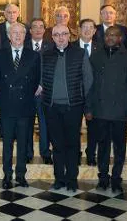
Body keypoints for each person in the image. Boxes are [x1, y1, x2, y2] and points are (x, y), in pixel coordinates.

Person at [88, 26, 127, 193]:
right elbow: (89, 85)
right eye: (107, 35)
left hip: (120, 112)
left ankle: (116, 178)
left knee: (119, 148)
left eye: (114, 35)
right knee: (102, 146)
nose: (109, 37)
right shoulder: (96, 56)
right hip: (100, 111)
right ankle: (103, 178)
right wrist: (88, 108)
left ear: (120, 38)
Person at [41, 25, 93, 192]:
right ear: (52, 37)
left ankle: (72, 179)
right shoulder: (45, 54)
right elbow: (40, 77)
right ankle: (59, 179)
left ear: (70, 36)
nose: (61, 37)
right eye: (57, 35)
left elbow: (88, 79)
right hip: (51, 106)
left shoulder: (80, 53)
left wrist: (84, 102)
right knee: (56, 144)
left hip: (73, 106)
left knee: (72, 144)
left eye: (64, 34)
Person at [0, 23, 40, 189]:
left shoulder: (33, 56)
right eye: (14, 33)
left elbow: (36, 80)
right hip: (7, 105)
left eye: (20, 33)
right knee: (7, 143)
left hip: (25, 106)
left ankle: (21, 175)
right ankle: (7, 175)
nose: (17, 35)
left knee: (23, 143)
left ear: (25, 35)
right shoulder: (0, 55)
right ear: (8, 36)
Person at [71, 18, 100, 166]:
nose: (87, 30)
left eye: (90, 28)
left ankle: (91, 153)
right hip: (75, 94)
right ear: (78, 30)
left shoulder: (100, 48)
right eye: (84, 27)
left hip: (94, 95)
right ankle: (75, 153)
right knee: (74, 127)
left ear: (95, 31)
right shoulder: (71, 47)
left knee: (93, 128)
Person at [25, 18, 51, 165]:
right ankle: (28, 152)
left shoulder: (51, 46)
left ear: (44, 30)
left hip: (45, 92)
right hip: (28, 92)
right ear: (30, 31)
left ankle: (45, 152)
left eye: (41, 27)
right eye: (35, 27)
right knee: (28, 123)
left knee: (44, 123)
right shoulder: (24, 45)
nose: (38, 29)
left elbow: (50, 69)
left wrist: (41, 84)